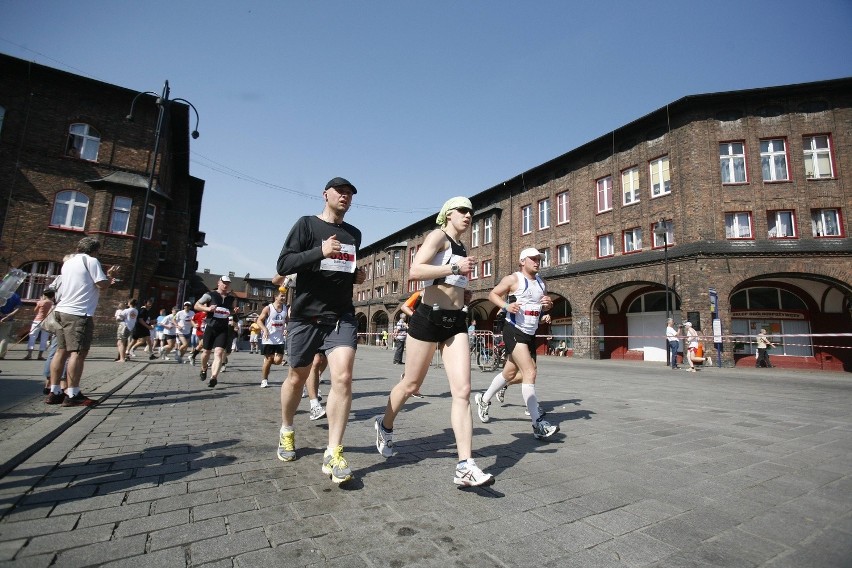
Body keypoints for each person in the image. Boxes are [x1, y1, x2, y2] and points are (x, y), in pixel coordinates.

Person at [374, 196, 495, 487]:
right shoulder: (437, 236)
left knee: (463, 391)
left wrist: (461, 291)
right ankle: (385, 424)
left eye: (471, 212)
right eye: (462, 210)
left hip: (456, 322)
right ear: (448, 214)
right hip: (428, 318)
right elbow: (415, 271)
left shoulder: (463, 246)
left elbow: (451, 280)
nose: (468, 215)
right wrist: (455, 270)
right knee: (412, 385)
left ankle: (465, 465)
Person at [273, 176, 366, 486]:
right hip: (306, 315)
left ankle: (333, 452)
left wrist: (357, 275)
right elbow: (284, 263)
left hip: (341, 316)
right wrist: (320, 251)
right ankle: (287, 430)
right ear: (325, 194)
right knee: (297, 377)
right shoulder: (306, 225)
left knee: (343, 377)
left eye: (350, 194)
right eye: (340, 191)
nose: (345, 197)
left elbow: (342, 269)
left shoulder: (354, 234)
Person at [474, 248, 559, 440]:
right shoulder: (513, 279)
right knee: (530, 372)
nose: (538, 262)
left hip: (531, 331)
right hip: (513, 329)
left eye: (539, 259)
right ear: (523, 261)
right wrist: (505, 306)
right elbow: (492, 295)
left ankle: (484, 399)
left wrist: (548, 308)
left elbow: (543, 305)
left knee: (509, 373)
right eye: (534, 259)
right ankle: (537, 423)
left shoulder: (541, 282)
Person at [45, 236, 119, 406]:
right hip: (78, 313)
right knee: (78, 353)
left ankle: (54, 391)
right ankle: (73, 394)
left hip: (61, 310)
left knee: (61, 351)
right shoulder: (91, 261)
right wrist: (111, 275)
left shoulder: (68, 263)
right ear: (95, 250)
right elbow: (102, 284)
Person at [257, 290, 288, 389]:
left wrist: (286, 328)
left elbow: (288, 321)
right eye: (282, 296)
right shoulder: (268, 308)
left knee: (278, 361)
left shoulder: (285, 309)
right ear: (275, 296)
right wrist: (265, 329)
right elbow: (259, 320)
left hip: (279, 339)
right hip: (268, 338)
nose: (283, 298)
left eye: (284, 296)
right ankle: (264, 380)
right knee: (269, 359)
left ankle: (267, 362)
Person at [24, 289, 55, 360]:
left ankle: (29, 354)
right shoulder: (52, 304)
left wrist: (41, 301)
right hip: (47, 322)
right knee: (44, 338)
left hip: (37, 321)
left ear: (45, 295)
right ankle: (40, 355)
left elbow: (35, 310)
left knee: (32, 336)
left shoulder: (41, 302)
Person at [0, 292, 23, 360]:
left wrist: (1, 314)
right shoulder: (15, 296)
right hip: (8, 320)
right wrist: (8, 316)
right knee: (4, 337)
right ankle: (1, 355)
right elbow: (18, 308)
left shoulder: (2, 292)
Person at [115, 299, 138, 363]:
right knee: (122, 342)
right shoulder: (136, 311)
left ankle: (122, 358)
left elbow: (119, 318)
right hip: (130, 328)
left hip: (124, 327)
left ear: (130, 303)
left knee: (121, 343)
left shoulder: (126, 310)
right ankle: (124, 356)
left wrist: (119, 318)